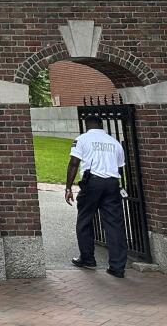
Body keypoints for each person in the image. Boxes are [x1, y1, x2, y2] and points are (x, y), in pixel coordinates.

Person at [65, 115, 128, 278]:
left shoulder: (82, 139)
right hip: (112, 183)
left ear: (87, 125)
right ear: (101, 125)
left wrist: (68, 187)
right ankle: (117, 266)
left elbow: (73, 163)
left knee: (85, 220)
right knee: (114, 224)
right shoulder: (114, 142)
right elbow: (120, 166)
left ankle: (87, 258)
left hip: (92, 182)